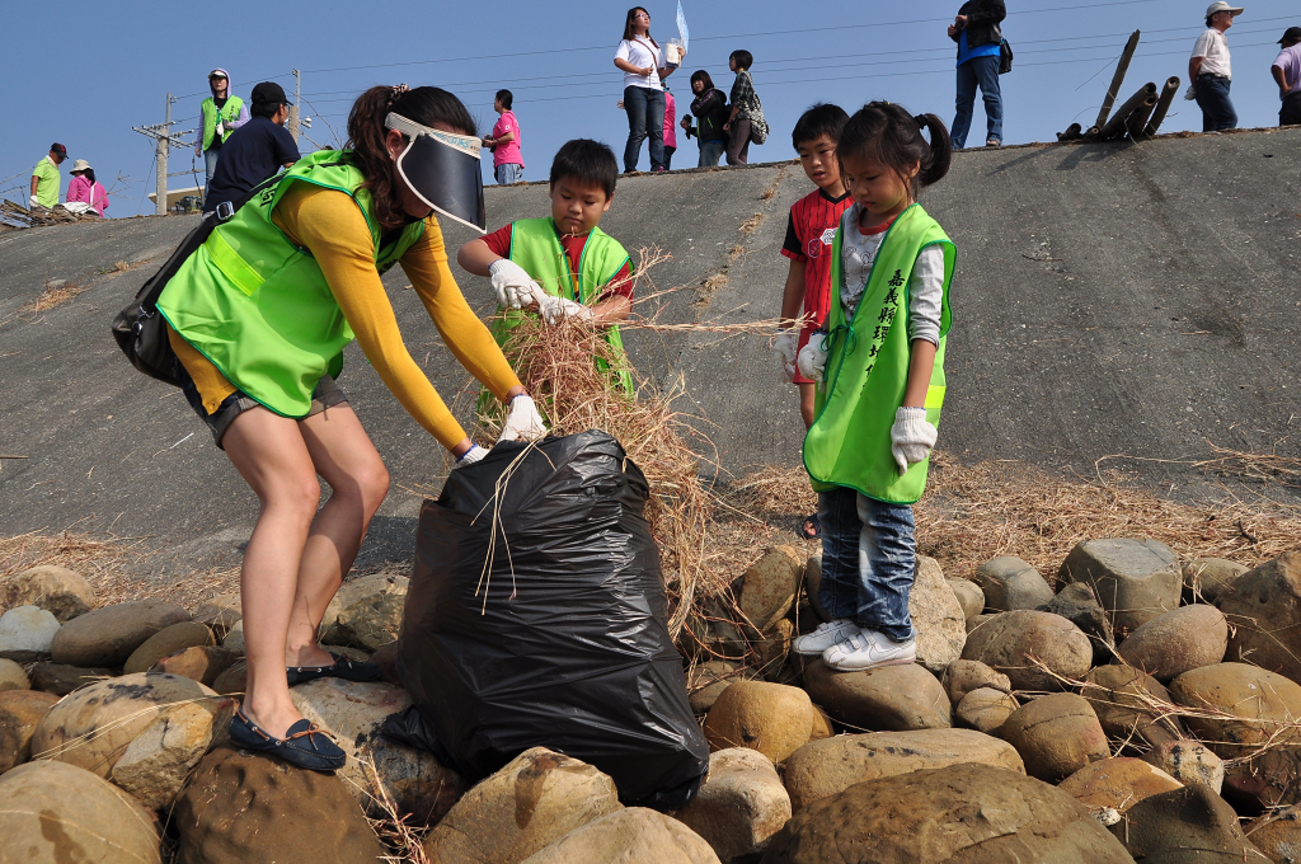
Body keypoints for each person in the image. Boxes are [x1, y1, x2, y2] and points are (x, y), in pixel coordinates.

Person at [156, 84, 547, 771]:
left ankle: (298, 644)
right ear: (395, 145)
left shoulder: (409, 212)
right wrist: (465, 447)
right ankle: (264, 703)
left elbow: (449, 313)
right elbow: (383, 343)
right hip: (219, 330)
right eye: (432, 183)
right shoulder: (333, 206)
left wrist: (516, 394)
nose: (435, 203)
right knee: (292, 492)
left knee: (364, 479)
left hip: (289, 347)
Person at [791, 102, 955, 672]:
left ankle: (891, 627)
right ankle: (846, 614)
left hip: (891, 395)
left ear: (910, 167)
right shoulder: (845, 224)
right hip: (846, 388)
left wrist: (914, 411)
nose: (858, 189)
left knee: (884, 507)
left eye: (871, 178)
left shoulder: (923, 238)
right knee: (837, 498)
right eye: (852, 177)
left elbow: (926, 327)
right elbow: (844, 305)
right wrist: (817, 343)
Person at [458, 139, 635, 394]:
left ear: (608, 201)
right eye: (566, 196)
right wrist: (498, 267)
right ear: (551, 189)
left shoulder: (612, 253)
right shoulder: (523, 234)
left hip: (595, 387)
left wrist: (585, 317)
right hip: (525, 380)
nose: (575, 208)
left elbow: (623, 303)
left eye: (589, 201)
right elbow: (468, 252)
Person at [772, 104, 853, 540]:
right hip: (811, 329)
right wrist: (785, 331)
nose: (815, 163)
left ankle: (858, 499)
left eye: (823, 151)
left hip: (855, 333)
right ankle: (828, 503)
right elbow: (798, 272)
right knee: (812, 414)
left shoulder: (868, 202)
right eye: (805, 155)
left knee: (850, 416)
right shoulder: (801, 212)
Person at [203, 81, 301, 215]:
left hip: (210, 215)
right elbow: (296, 174)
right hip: (240, 216)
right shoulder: (277, 132)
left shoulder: (235, 136)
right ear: (280, 109)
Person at [614, 7, 673, 173]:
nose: (646, 18)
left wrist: (677, 61)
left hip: (656, 89)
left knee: (657, 130)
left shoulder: (655, 45)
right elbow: (618, 61)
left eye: (648, 15)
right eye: (641, 16)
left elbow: (661, 72)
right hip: (635, 88)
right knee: (638, 130)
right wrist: (639, 71)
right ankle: (630, 168)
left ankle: (657, 166)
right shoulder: (628, 42)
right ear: (632, 21)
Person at [947, 0, 1006, 149]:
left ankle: (994, 135)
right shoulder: (965, 6)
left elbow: (1000, 13)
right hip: (964, 58)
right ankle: (954, 144)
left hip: (986, 51)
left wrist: (970, 19)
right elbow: (963, 31)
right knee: (962, 103)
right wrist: (954, 33)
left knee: (990, 94)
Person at [1189, 2, 1244, 132]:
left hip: (1219, 84)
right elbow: (1195, 61)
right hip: (1211, 82)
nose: (1232, 16)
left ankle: (1208, 151)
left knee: (1211, 127)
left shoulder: (1221, 38)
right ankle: (1221, 151)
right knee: (1228, 119)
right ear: (1215, 17)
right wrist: (1195, 85)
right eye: (1228, 13)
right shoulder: (1209, 35)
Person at [194, 68, 249, 185]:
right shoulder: (206, 103)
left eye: (220, 79)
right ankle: (210, 203)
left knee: (231, 175)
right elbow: (202, 125)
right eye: (214, 79)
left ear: (227, 81)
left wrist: (231, 125)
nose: (217, 82)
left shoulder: (238, 102)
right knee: (211, 177)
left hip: (231, 145)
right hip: (211, 145)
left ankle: (231, 201)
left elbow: (245, 121)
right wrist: (198, 144)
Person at [681, 70, 729, 167]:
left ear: (706, 81)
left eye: (699, 80)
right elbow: (704, 128)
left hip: (713, 141)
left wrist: (696, 100)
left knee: (706, 174)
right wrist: (689, 129)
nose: (696, 84)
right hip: (707, 142)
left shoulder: (712, 95)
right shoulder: (705, 99)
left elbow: (696, 110)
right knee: (702, 173)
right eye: (694, 82)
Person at [723, 50, 761, 165]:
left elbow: (739, 102)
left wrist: (729, 121)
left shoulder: (742, 77)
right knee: (741, 157)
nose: (730, 62)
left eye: (732, 59)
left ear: (740, 60)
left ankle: (754, 177)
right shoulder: (745, 76)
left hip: (743, 120)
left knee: (732, 156)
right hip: (748, 121)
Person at [484, 89, 524, 184]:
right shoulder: (511, 117)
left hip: (507, 160)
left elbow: (510, 136)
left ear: (501, 102)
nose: (494, 103)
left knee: (507, 194)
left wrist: (493, 142)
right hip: (511, 160)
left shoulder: (505, 117)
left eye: (495, 100)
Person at [1272, 26, 1301, 126]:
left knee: (1291, 139)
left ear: (1285, 41)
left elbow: (1277, 67)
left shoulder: (1290, 51)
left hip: (1296, 102)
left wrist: (1284, 87)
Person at [29, 143, 68, 209]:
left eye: (63, 157)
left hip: (51, 206)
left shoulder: (55, 168)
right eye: (59, 156)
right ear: (51, 152)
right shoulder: (44, 163)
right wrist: (33, 196)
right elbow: (35, 177)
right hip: (40, 203)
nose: (61, 159)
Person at [662, 84, 677, 170]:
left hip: (665, 138)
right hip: (663, 139)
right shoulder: (666, 97)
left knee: (661, 168)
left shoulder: (665, 97)